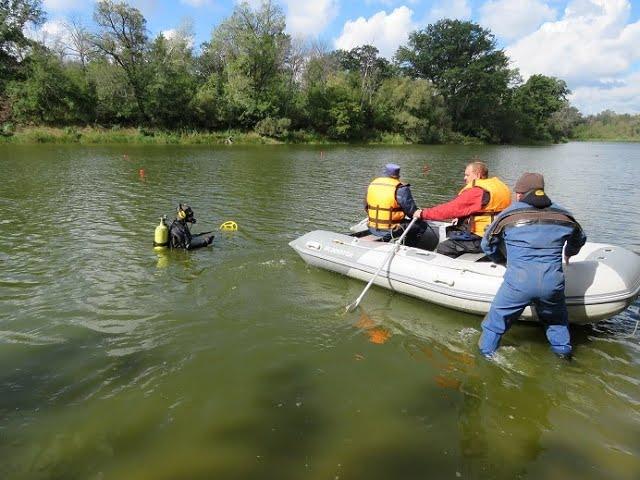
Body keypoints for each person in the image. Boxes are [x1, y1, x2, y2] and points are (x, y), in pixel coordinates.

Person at [478, 173, 586, 358]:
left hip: (518, 282)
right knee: (557, 321)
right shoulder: (564, 215)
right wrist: (569, 253)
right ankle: (563, 355)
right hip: (553, 282)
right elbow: (580, 238)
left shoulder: (509, 215)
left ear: (520, 194)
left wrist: (501, 260)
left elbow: (487, 244)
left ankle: (485, 356)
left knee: (495, 325)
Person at [413, 161, 512, 258]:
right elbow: (486, 210)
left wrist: (423, 213)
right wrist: (461, 217)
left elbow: (449, 210)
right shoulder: (499, 187)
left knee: (444, 247)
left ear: (477, 175)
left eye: (467, 175)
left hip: (482, 238)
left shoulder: (477, 191)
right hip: (498, 234)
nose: (464, 178)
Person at [365, 163, 438, 250]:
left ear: (384, 173)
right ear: (398, 175)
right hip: (390, 229)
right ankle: (406, 249)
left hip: (371, 227)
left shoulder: (373, 185)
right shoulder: (401, 188)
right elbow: (412, 213)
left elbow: (366, 206)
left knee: (403, 223)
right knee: (421, 226)